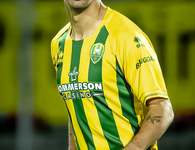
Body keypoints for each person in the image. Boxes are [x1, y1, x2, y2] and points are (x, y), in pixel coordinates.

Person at [51, 0, 174, 150]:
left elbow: (162, 109)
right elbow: (78, 105)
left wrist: (134, 147)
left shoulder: (126, 35)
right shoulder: (59, 43)